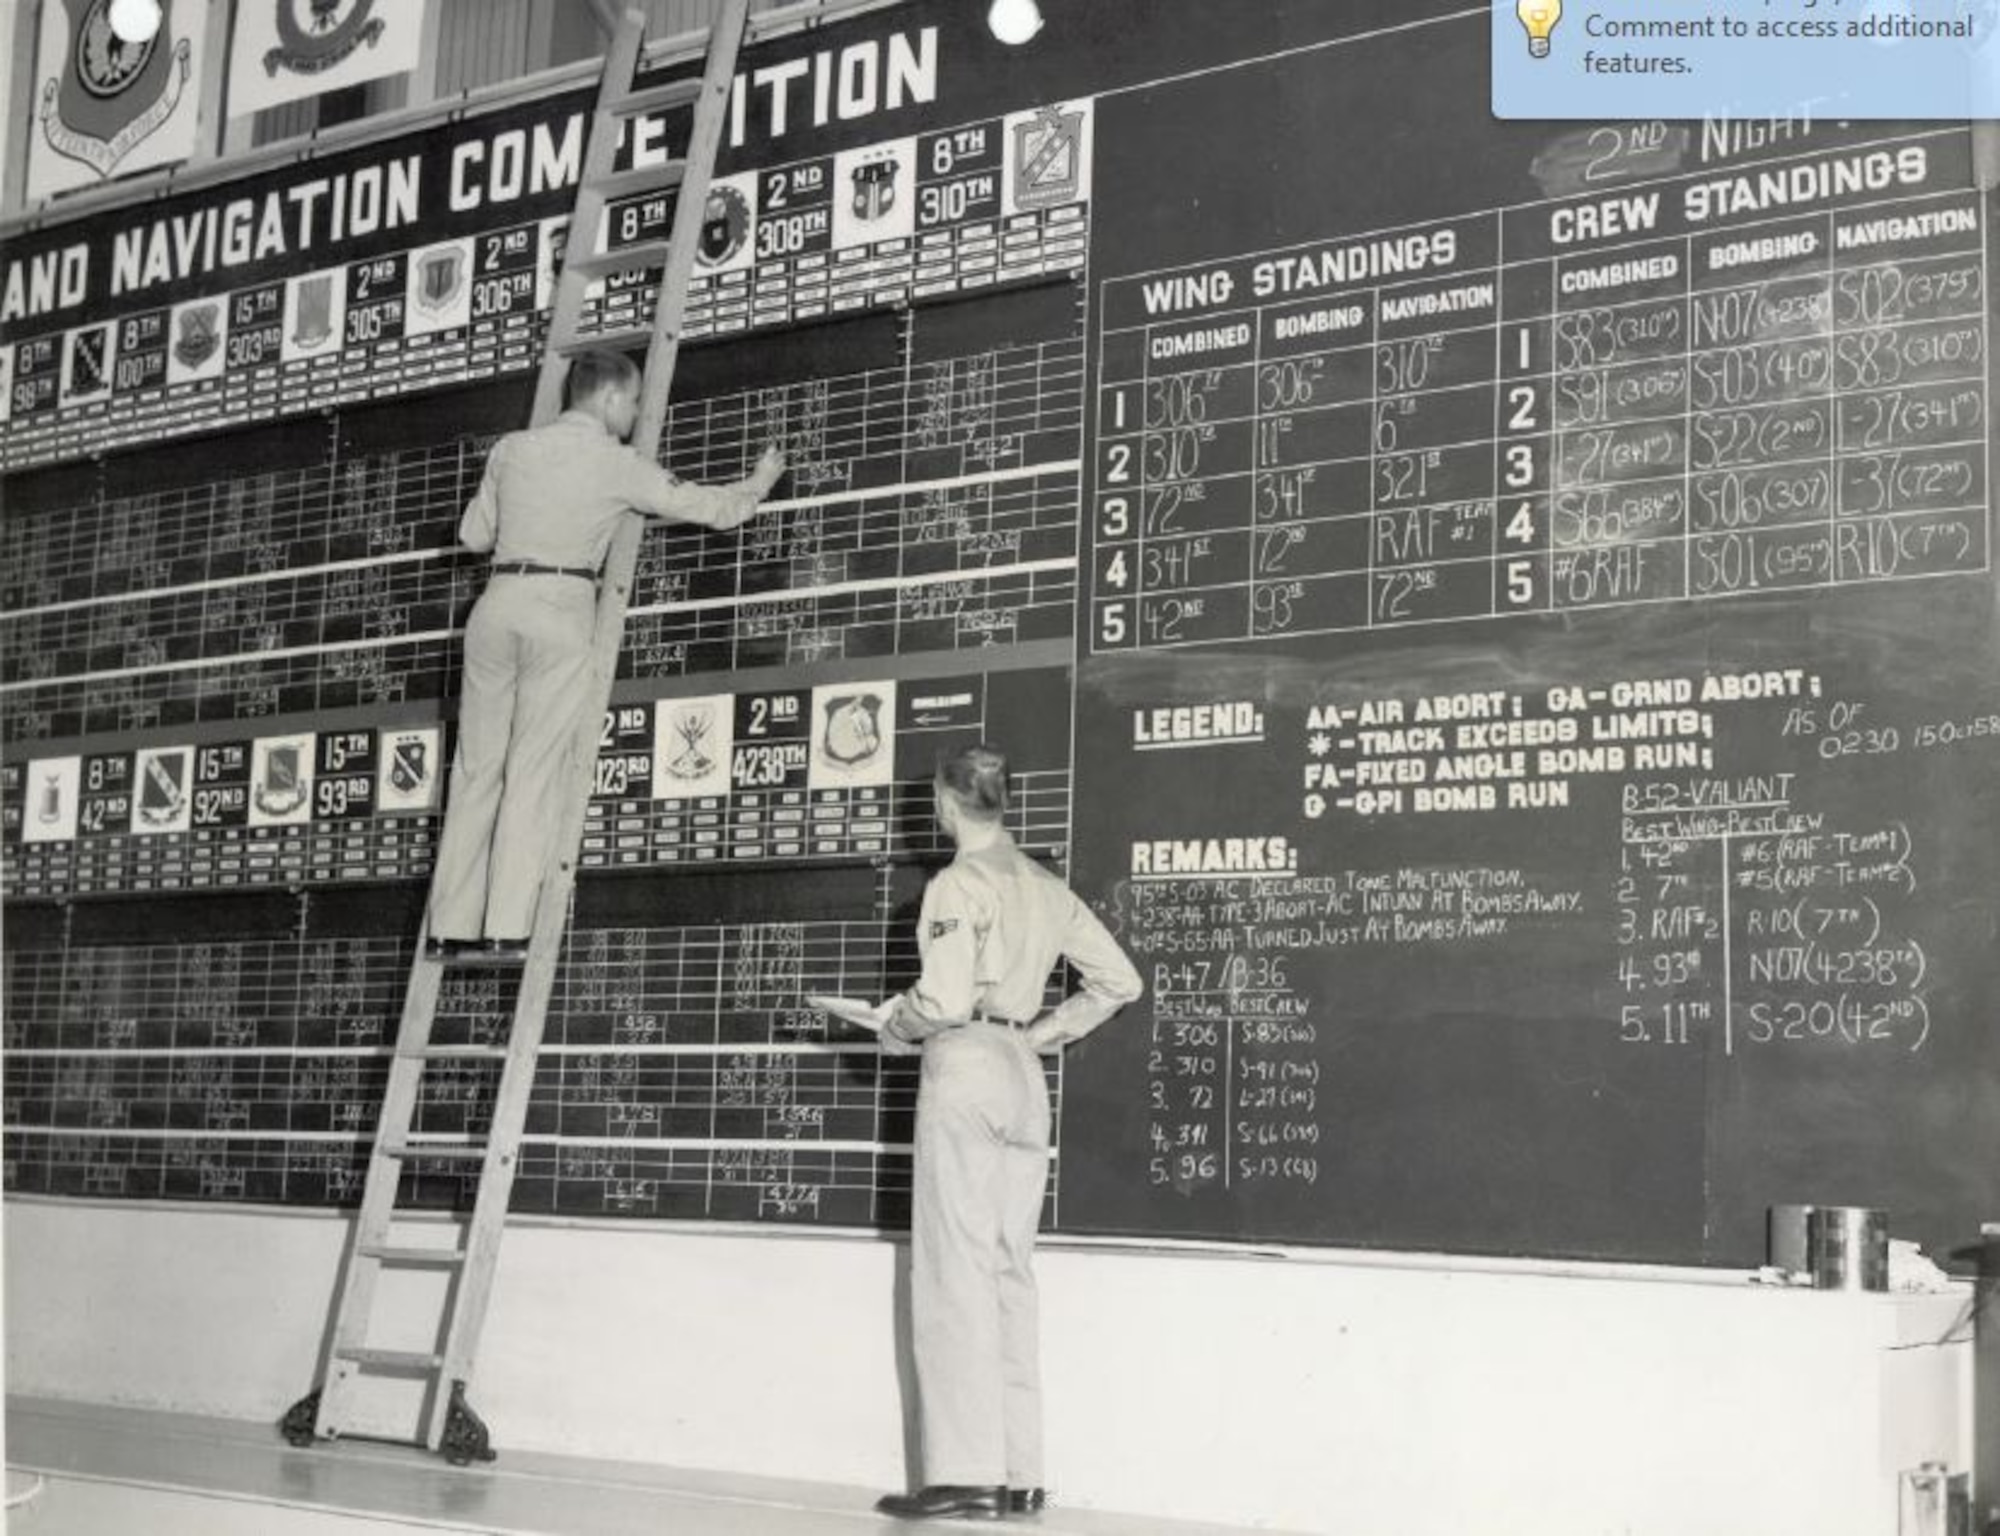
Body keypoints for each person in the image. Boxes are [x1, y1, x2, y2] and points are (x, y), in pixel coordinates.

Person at [426, 349, 784, 961]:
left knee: (476, 770)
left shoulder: (511, 449)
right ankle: (507, 927)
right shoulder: (615, 464)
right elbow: (711, 510)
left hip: (495, 605)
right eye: (636, 400)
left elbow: (473, 537)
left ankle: (447, 928)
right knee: (532, 771)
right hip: (560, 608)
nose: (638, 411)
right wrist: (758, 483)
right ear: (613, 399)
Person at [872, 744, 1143, 1522]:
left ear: (946, 806)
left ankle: (961, 1474)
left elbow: (946, 995)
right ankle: (1020, 1472)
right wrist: (1048, 1030)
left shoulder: (958, 884)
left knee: (953, 1265)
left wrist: (897, 1024)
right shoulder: (1046, 888)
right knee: (1006, 1271)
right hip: (1024, 1071)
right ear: (1002, 802)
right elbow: (1119, 980)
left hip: (967, 1067)